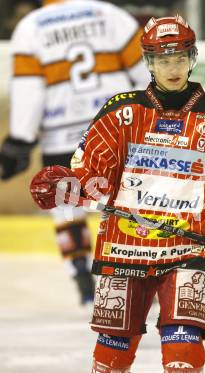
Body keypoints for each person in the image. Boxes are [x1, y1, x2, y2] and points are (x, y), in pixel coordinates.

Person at [29, 15, 205, 373]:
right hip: (123, 247)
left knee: (183, 358)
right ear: (149, 62)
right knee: (110, 362)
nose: (172, 68)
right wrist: (66, 186)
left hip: (191, 249)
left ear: (192, 58)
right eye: (162, 59)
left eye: (179, 58)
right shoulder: (120, 113)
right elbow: (92, 178)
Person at [0, 0, 150, 304]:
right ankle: (137, 273)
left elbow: (30, 90)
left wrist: (21, 139)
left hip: (60, 137)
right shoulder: (107, 14)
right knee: (128, 200)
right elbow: (144, 70)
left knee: (66, 207)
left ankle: (82, 277)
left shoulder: (32, 27)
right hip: (115, 129)